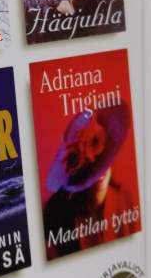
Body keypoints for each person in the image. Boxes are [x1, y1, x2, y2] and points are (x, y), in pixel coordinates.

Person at [42, 103, 140, 259]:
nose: (101, 170)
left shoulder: (127, 202)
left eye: (95, 143)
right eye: (91, 163)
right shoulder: (56, 216)